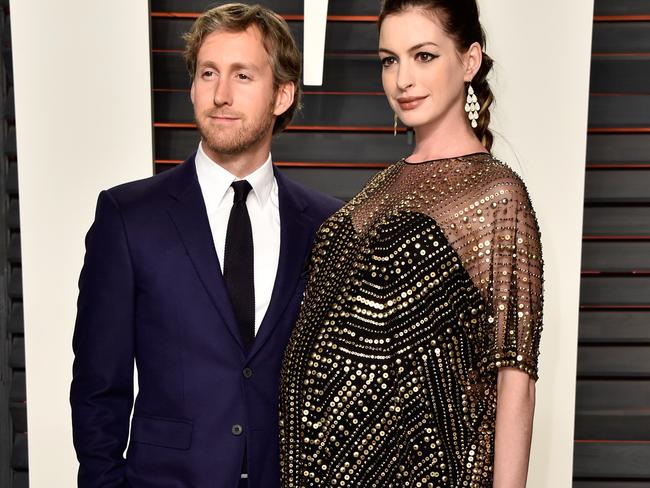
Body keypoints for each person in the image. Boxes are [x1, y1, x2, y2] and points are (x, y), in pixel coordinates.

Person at [70, 4, 340, 488]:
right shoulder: (129, 218)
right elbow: (97, 390)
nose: (220, 94)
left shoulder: (325, 224)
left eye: (242, 75)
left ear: (282, 94)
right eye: (208, 73)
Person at [279, 0, 543, 486]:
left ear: (469, 61)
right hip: (319, 468)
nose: (402, 79)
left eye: (423, 55)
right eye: (389, 59)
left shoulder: (495, 194)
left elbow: (516, 378)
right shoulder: (382, 185)